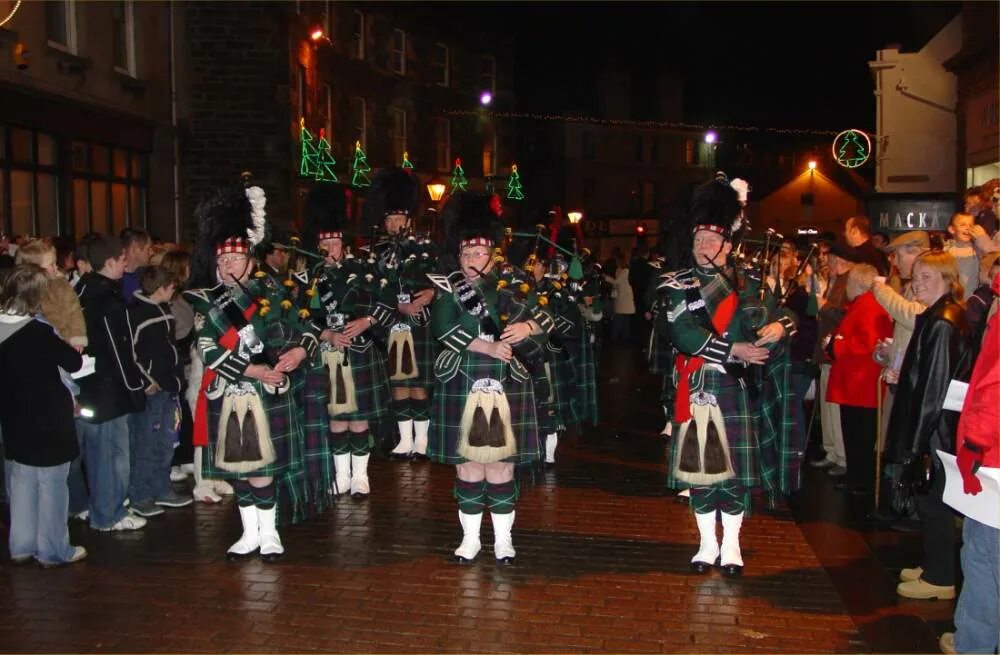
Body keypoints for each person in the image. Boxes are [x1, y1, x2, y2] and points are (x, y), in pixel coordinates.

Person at [655, 174, 795, 577]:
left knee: (732, 472)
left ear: (728, 246)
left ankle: (731, 544)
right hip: (699, 383)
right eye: (698, 242)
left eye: (711, 242)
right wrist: (732, 349)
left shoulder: (748, 284)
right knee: (702, 473)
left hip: (735, 388)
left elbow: (781, 315)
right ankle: (705, 544)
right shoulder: (677, 284)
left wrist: (778, 328)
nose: (703, 248)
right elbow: (682, 332)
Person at [185, 184, 312, 561]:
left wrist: (298, 353)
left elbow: (304, 329)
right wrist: (252, 369)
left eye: (234, 261)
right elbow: (207, 350)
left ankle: (269, 533)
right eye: (222, 262)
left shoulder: (274, 294)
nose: (227, 267)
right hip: (232, 390)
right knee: (240, 469)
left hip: (267, 393)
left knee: (263, 469)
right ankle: (248, 534)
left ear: (250, 262)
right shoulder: (207, 301)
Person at [426, 191, 544, 564]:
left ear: (493, 254)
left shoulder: (516, 282)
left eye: (479, 254)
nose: (472, 261)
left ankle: (504, 541)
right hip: (464, 377)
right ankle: (472, 539)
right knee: (468, 464)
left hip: (507, 382)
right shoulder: (449, 286)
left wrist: (528, 327)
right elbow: (443, 329)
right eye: (466, 254)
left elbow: (550, 320)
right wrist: (486, 346)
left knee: (502, 464)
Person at [885, 250, 972, 600]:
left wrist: (917, 443)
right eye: (915, 276)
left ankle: (940, 578)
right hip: (939, 427)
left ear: (947, 282)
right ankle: (934, 565)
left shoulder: (942, 321)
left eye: (926, 277)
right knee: (931, 500)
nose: (916, 283)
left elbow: (934, 388)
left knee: (934, 503)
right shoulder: (940, 316)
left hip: (936, 431)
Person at [300, 182, 387, 500]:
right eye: (324, 242)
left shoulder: (364, 268)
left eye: (335, 241)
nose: (330, 247)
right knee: (336, 419)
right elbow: (299, 317)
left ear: (343, 243)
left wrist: (366, 320)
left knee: (359, 418)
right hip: (327, 352)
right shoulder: (308, 277)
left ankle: (361, 477)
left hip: (360, 349)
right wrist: (326, 334)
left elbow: (386, 302)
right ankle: (341, 477)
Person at [1, 265, 87, 567]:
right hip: (49, 417)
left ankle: (21, 544)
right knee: (52, 484)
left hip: (14, 416)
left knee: (22, 480)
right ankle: (53, 550)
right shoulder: (37, 331)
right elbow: (73, 362)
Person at [939, 270, 998, 655]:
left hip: (993, 458)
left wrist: (974, 442)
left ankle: (974, 644)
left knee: (984, 557)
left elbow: (995, 386)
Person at [75, 234, 148, 532]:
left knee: (97, 453)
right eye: (120, 259)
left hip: (90, 385)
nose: (125, 263)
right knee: (111, 454)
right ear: (108, 262)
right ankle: (109, 513)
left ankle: (100, 507)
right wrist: (135, 385)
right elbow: (119, 350)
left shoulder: (82, 291)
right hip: (108, 389)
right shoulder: (105, 300)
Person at [364, 168, 438, 461]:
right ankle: (404, 440)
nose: (395, 224)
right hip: (393, 324)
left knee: (417, 384)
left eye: (399, 218)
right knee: (399, 384)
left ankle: (422, 441)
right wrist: (397, 306)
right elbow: (370, 293)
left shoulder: (427, 248)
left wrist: (433, 292)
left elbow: (446, 280)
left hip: (420, 324)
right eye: (390, 219)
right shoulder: (376, 253)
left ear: (409, 220)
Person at [126, 265, 192, 517]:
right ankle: (140, 494)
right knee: (146, 443)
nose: (174, 292)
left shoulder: (162, 310)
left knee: (166, 441)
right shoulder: (137, 314)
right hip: (154, 389)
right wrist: (146, 379)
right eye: (172, 288)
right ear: (162, 288)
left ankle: (161, 488)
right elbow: (131, 353)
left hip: (169, 385)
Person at [825, 264, 893, 501]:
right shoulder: (864, 304)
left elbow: (867, 344)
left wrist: (836, 345)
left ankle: (860, 481)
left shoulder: (869, 306)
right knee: (854, 434)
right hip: (856, 382)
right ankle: (855, 477)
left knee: (860, 436)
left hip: (861, 383)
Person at [14, 239, 87, 350]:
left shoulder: (59, 284)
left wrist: (77, 338)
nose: (56, 267)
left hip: (63, 339)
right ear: (34, 269)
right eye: (51, 264)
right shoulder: (23, 289)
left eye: (55, 263)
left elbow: (74, 311)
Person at [119, 228, 153, 304]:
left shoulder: (146, 276)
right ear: (134, 249)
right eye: (148, 248)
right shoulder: (116, 280)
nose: (152, 253)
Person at [606, 253, 634, 342]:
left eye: (617, 261)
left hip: (624, 297)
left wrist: (606, 277)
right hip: (621, 297)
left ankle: (617, 336)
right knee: (623, 318)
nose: (616, 262)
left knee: (620, 318)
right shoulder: (619, 270)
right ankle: (624, 337)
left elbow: (616, 281)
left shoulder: (625, 271)